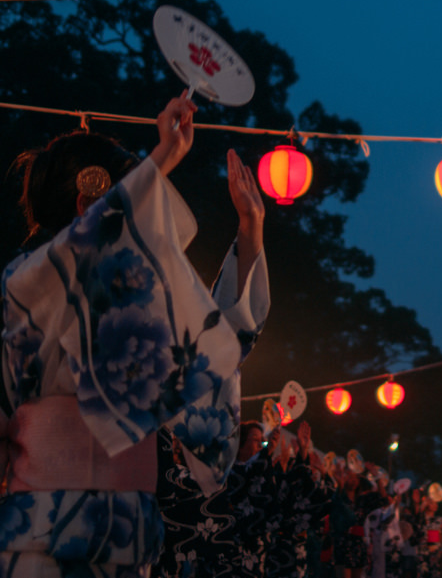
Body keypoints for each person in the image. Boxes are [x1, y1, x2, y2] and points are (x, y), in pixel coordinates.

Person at [0, 93, 270, 576]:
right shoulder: (24, 282)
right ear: (89, 204)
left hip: (129, 541)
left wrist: (250, 234)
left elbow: (209, 357)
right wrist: (162, 157)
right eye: (128, 202)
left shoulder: (131, 300)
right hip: (37, 536)